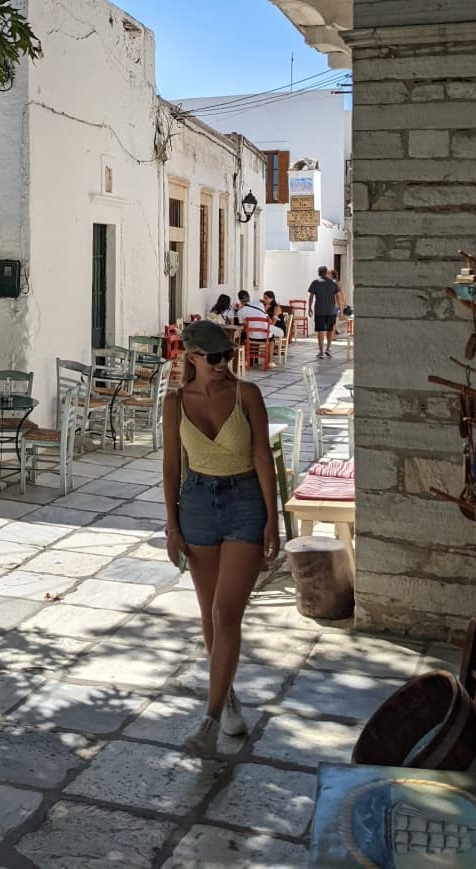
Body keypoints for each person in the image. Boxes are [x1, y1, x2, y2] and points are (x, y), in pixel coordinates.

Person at [161, 320, 280, 758]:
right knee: (208, 614)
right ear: (191, 356)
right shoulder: (174, 403)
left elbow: (262, 455)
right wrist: (172, 527)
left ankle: (209, 719)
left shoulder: (247, 394)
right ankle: (227, 695)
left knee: (227, 611)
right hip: (197, 504)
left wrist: (273, 518)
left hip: (244, 499)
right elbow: (172, 467)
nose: (222, 364)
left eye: (227, 354)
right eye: (213, 357)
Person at [307, 265, 341, 356]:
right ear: (326, 272)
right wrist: (341, 309)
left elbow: (311, 296)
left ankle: (321, 351)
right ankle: (328, 349)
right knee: (330, 330)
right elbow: (338, 297)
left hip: (319, 311)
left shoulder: (315, 283)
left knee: (321, 330)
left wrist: (309, 307)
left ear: (319, 273)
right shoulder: (333, 283)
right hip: (331, 311)